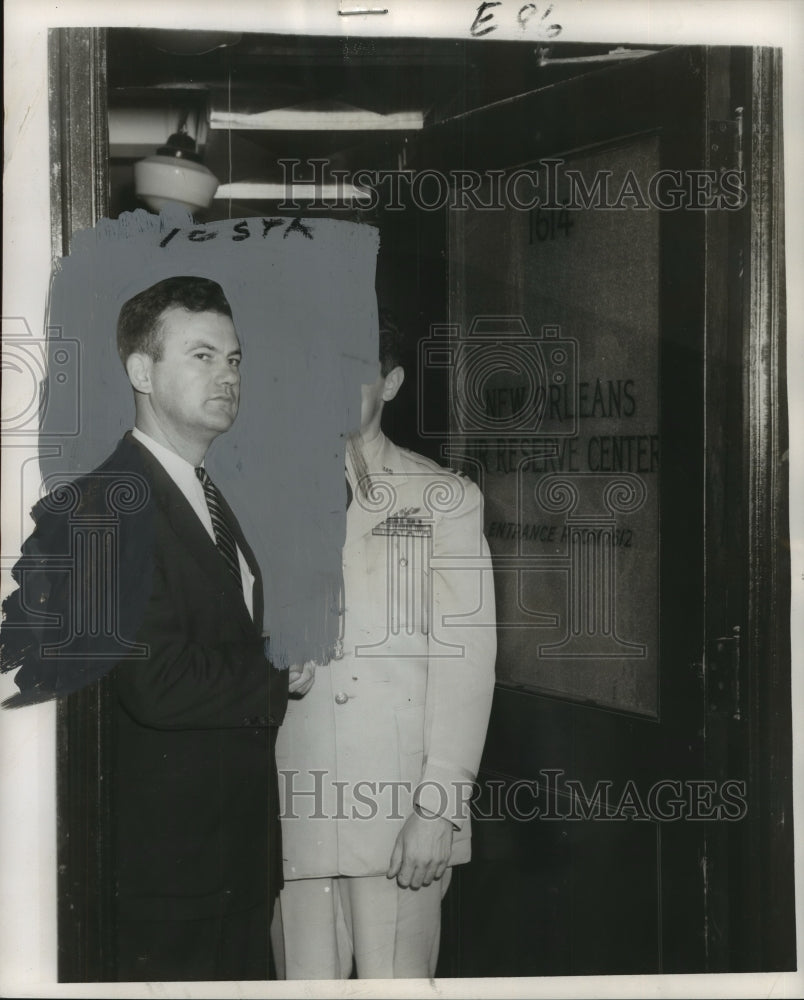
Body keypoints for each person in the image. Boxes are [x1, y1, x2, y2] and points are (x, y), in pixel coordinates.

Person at [1, 276, 287, 981]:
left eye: (235, 359)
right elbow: (155, 684)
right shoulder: (105, 505)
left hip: (230, 868)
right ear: (141, 371)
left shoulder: (204, 493)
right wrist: (283, 667)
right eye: (201, 355)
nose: (226, 375)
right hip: (169, 886)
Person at [271, 314, 497, 979]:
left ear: (391, 382)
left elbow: (467, 663)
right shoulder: (262, 493)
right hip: (293, 809)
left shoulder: (445, 499)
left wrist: (440, 807)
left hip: (398, 812)